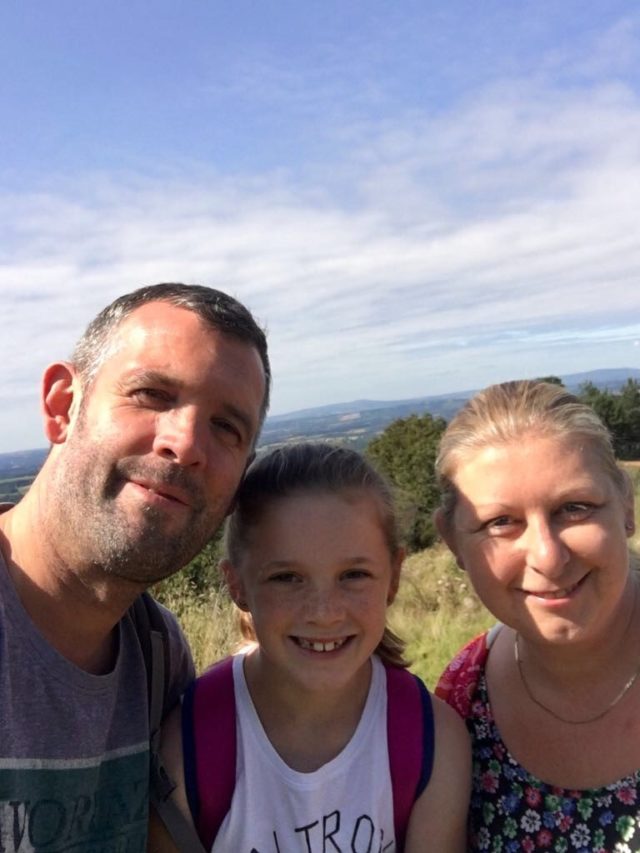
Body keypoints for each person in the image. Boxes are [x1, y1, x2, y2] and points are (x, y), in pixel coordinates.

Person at [0, 283, 270, 851]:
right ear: (61, 405)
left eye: (227, 428)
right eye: (151, 393)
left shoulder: (156, 655)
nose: (186, 443)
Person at [149, 442, 471, 852]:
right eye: (287, 578)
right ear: (237, 585)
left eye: (354, 575)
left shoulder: (432, 740)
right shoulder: (191, 743)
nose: (324, 613)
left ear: (393, 577)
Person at [434, 379, 640, 852]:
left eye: (575, 508)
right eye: (501, 523)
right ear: (452, 542)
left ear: (625, 506)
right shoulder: (460, 706)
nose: (547, 557)